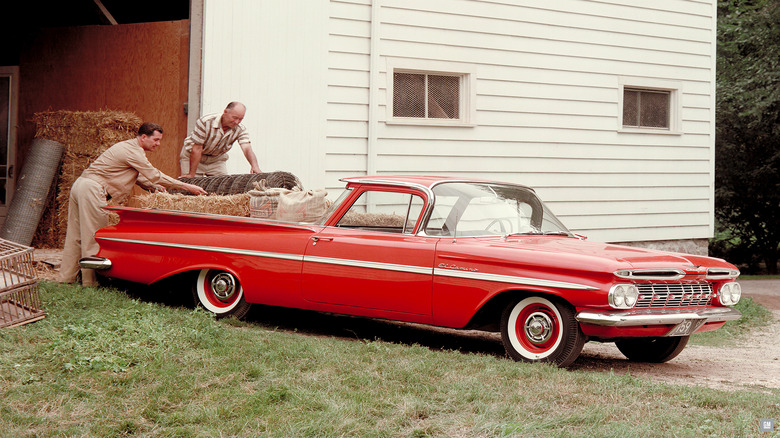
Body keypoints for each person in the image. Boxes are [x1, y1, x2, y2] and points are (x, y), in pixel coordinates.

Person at [59, 122, 208, 286]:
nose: (158, 144)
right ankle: (91, 282)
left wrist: (154, 188)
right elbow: (154, 175)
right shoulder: (133, 151)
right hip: (92, 190)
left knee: (75, 236)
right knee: (94, 236)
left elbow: (138, 176)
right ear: (144, 137)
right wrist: (186, 186)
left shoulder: (128, 147)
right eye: (156, 140)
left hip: (81, 185)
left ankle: (65, 279)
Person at [179, 101, 261, 178]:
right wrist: (191, 174)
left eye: (240, 119)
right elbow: (197, 149)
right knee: (192, 185)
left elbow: (247, 148)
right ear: (225, 112)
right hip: (193, 156)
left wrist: (255, 166)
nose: (237, 122)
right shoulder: (206, 122)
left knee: (223, 187)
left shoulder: (240, 129)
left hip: (216, 160)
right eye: (234, 118)